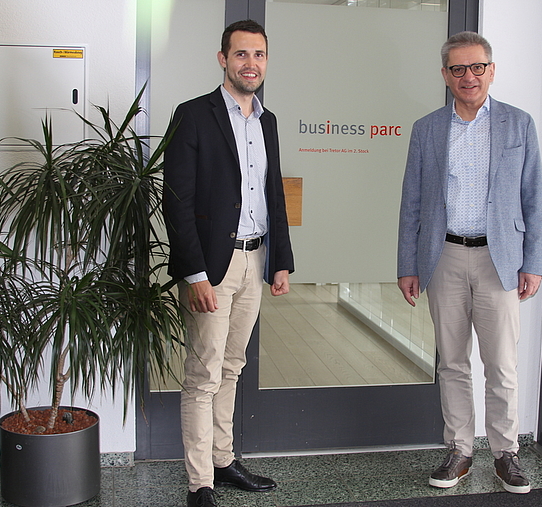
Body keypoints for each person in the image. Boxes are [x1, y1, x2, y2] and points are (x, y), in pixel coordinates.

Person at [397, 31, 542, 495]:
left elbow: (534, 199)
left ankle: (506, 453)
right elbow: (413, 202)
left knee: (501, 364)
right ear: (445, 75)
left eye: (477, 67)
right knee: (453, 362)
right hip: (442, 258)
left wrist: (534, 262)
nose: (468, 76)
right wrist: (408, 263)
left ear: (491, 70)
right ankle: (460, 448)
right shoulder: (427, 128)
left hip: (499, 259)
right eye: (458, 69)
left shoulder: (518, 125)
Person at [163, 19, 294, 507]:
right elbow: (175, 199)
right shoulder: (193, 115)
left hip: (254, 259)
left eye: (259, 55)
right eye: (241, 54)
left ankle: (223, 459)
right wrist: (194, 273)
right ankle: (199, 483)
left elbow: (272, 193)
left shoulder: (268, 121)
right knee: (203, 374)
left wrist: (280, 258)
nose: (251, 64)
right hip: (211, 269)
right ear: (223, 59)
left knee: (233, 366)